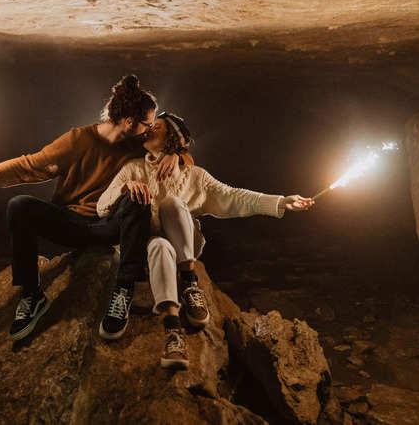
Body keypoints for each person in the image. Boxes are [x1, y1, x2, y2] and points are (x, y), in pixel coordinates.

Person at [0, 75, 189, 341]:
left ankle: (123, 290)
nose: (150, 130)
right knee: (19, 205)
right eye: (148, 124)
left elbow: (180, 144)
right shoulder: (78, 140)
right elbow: (28, 166)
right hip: (70, 224)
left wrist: (176, 156)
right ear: (129, 122)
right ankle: (32, 295)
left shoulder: (137, 145)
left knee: (138, 198)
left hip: (109, 226)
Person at [96, 112, 313, 369]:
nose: (149, 129)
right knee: (158, 244)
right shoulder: (133, 168)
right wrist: (125, 188)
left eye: (157, 126)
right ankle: (173, 332)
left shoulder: (195, 176)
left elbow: (234, 197)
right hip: (146, 251)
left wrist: (281, 201)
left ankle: (189, 279)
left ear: (172, 139)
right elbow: (102, 207)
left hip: (184, 247)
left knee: (172, 204)